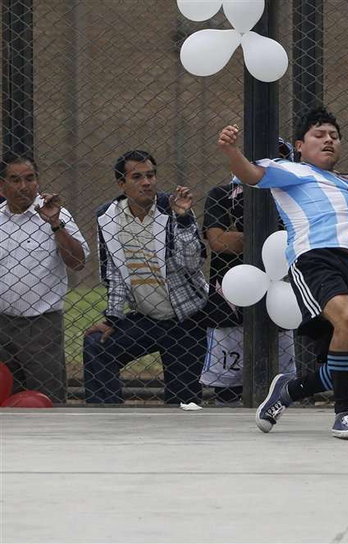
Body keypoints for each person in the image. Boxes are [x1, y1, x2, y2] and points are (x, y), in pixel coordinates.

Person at [217, 107, 348, 439]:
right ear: (300, 145)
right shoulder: (291, 171)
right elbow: (250, 174)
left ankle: (289, 390)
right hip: (316, 259)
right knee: (346, 318)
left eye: (334, 136)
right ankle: (344, 413)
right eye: (319, 135)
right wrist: (232, 151)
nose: (328, 140)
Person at [83, 150, 209, 404]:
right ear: (122, 184)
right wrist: (112, 317)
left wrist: (184, 219)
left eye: (150, 175)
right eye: (137, 177)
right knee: (97, 345)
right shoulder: (107, 217)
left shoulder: (172, 208)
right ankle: (106, 418)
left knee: (183, 402)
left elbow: (191, 263)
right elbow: (115, 273)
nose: (147, 182)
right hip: (145, 318)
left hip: (186, 319)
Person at [200, 137, 297, 406]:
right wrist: (267, 238)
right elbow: (219, 241)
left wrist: (244, 239)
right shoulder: (221, 195)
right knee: (228, 390)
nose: (268, 165)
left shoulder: (291, 198)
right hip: (229, 303)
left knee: (282, 381)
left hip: (281, 300)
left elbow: (298, 241)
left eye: (278, 159)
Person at [0, 153, 89, 403]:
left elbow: (78, 262)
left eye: (30, 179)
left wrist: (55, 225)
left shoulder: (56, 215)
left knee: (48, 399)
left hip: (41, 326)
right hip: (1, 323)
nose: (24, 186)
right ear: (2, 186)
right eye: (15, 180)